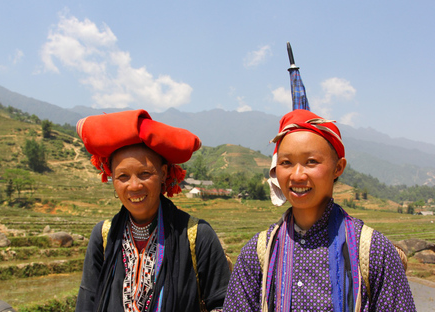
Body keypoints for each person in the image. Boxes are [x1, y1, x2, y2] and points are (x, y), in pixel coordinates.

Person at [223, 109, 416, 311]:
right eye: (286, 163)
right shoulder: (257, 253)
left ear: (338, 167)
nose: (297, 175)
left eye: (311, 162)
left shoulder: (374, 251)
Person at [75, 109, 231, 312]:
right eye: (123, 176)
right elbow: (87, 303)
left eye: (144, 173)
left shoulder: (198, 235)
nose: (134, 186)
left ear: (163, 173)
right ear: (111, 177)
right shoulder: (103, 236)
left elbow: (224, 304)